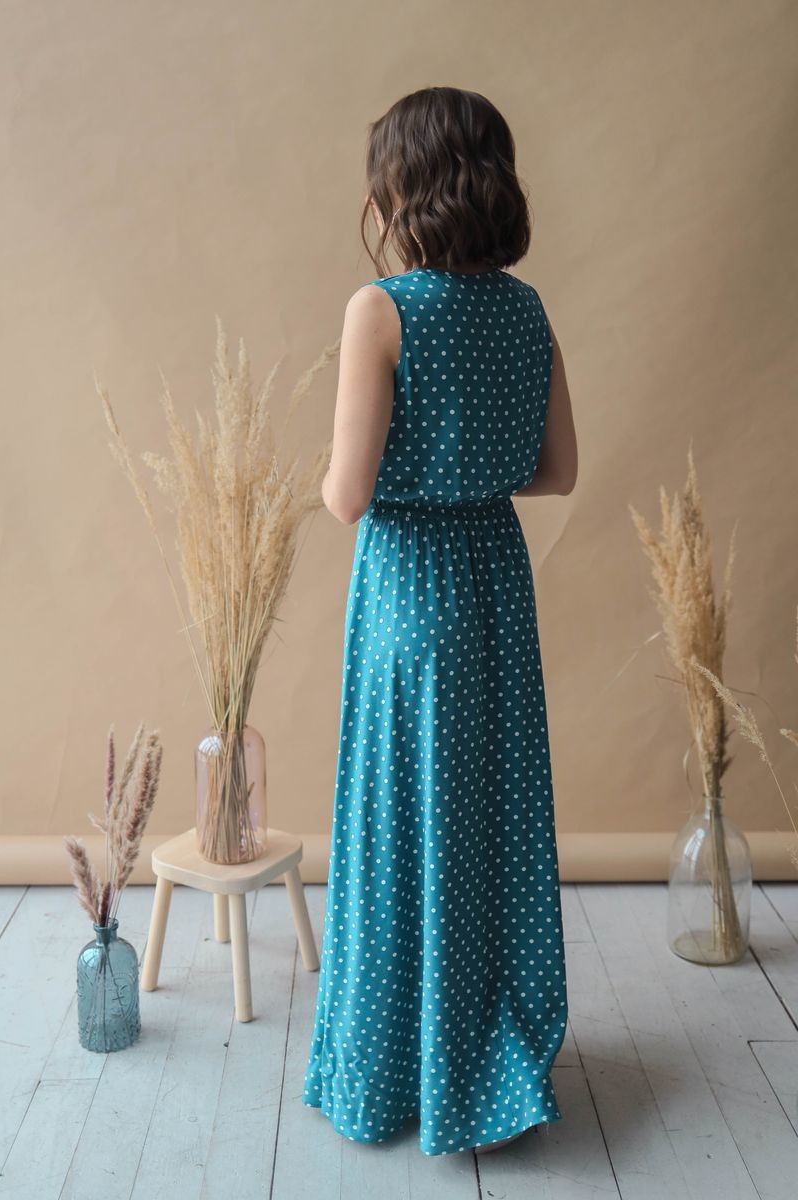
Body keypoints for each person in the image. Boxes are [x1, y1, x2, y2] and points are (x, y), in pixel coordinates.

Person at [302, 85, 577, 1157]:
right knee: (485, 826)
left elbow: (347, 495)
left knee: (395, 824)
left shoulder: (382, 309)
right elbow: (555, 471)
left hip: (409, 589)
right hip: (495, 586)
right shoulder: (527, 309)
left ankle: (390, 1070)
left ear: (402, 189)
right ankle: (484, 1064)